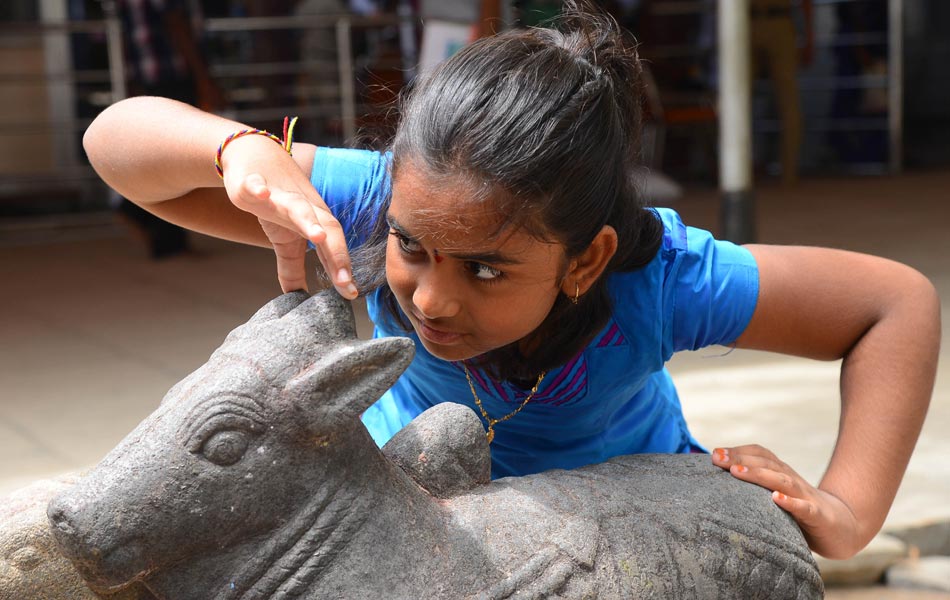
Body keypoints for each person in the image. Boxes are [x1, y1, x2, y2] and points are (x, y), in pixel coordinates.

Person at [82, 3, 939, 561]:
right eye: (413, 250)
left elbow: (893, 304)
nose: (432, 300)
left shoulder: (664, 279)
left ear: (588, 261)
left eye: (488, 269)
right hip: (409, 508)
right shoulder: (371, 202)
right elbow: (117, 146)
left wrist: (851, 509)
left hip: (617, 531)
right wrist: (234, 150)